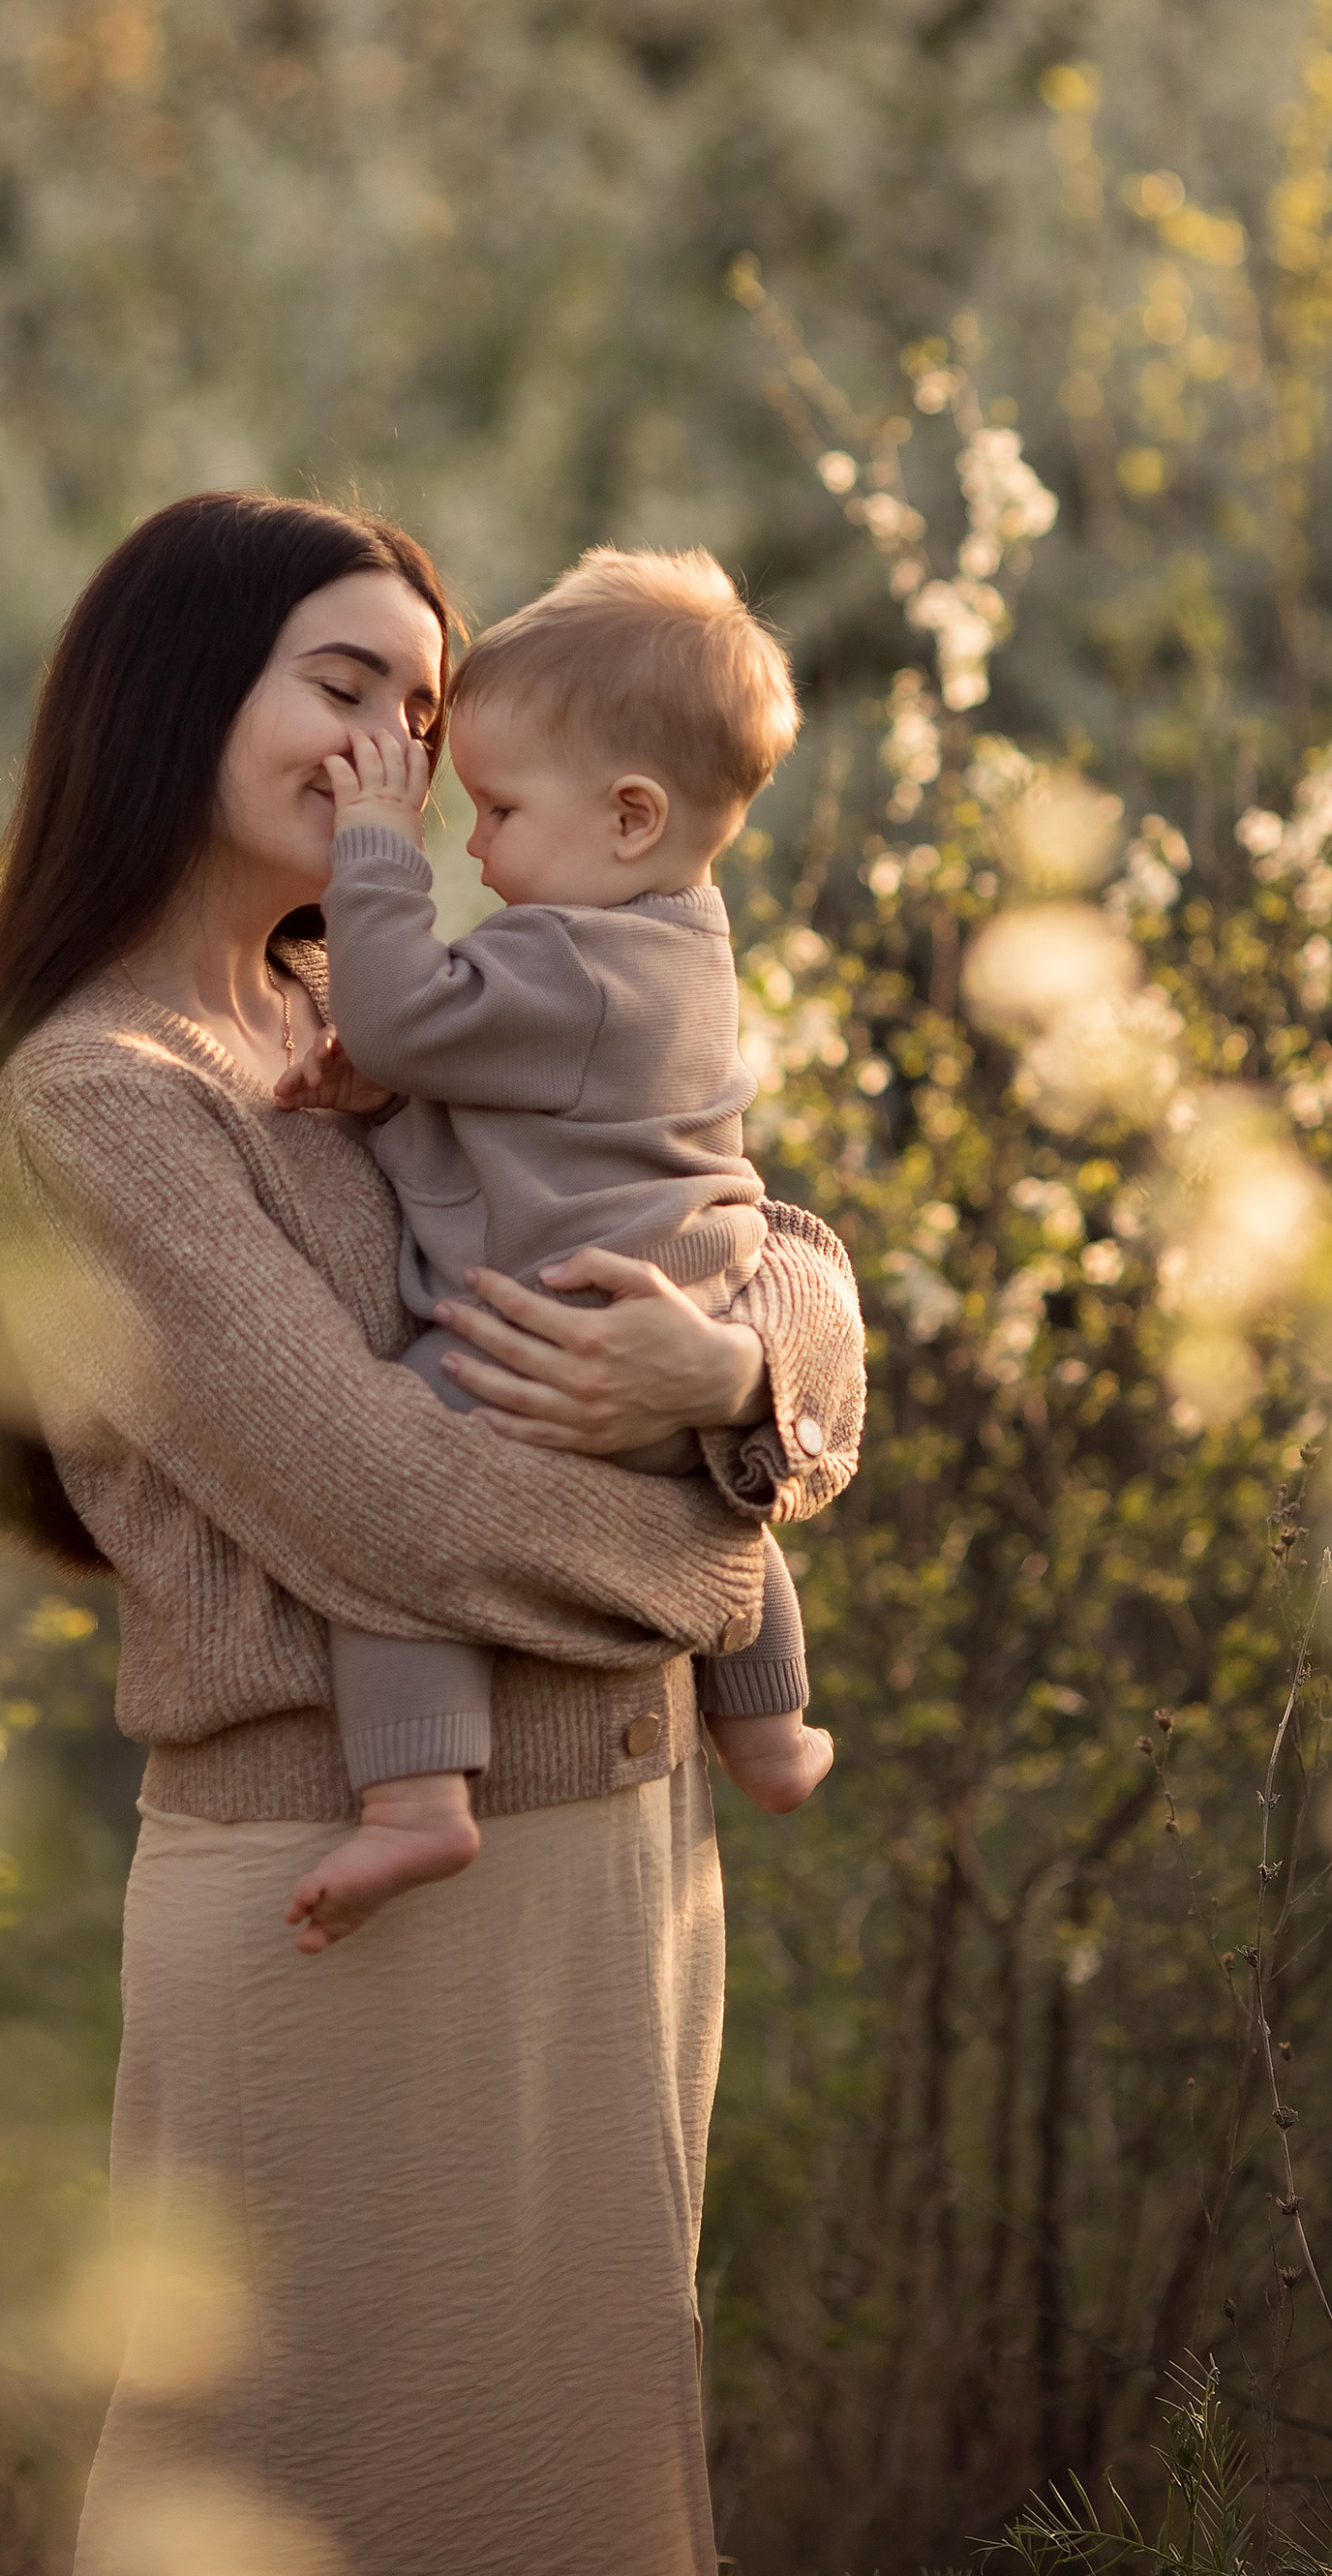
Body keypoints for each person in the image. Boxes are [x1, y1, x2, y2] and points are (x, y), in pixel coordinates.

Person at [0, 491, 864, 2576]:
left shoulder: (388, 1018)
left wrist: (729, 1388)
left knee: (580, 2512)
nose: (394, 746)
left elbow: (760, 1238)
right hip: (333, 1910)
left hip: (616, 1874)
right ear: (178, 701)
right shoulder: (103, 1103)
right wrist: (728, 1572)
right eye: (338, 683)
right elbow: (389, 1505)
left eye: (423, 709)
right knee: (319, 2501)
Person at [276, 544, 833, 1955]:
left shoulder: (572, 956)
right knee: (731, 1517)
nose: (470, 844)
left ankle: (416, 1794)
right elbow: (511, 1103)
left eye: (498, 809)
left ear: (631, 816)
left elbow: (406, 1012)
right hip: (685, 1320)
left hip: (545, 1339)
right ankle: (771, 1729)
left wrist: (376, 848)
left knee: (388, 1522)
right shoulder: (669, 955)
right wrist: (390, 1094)